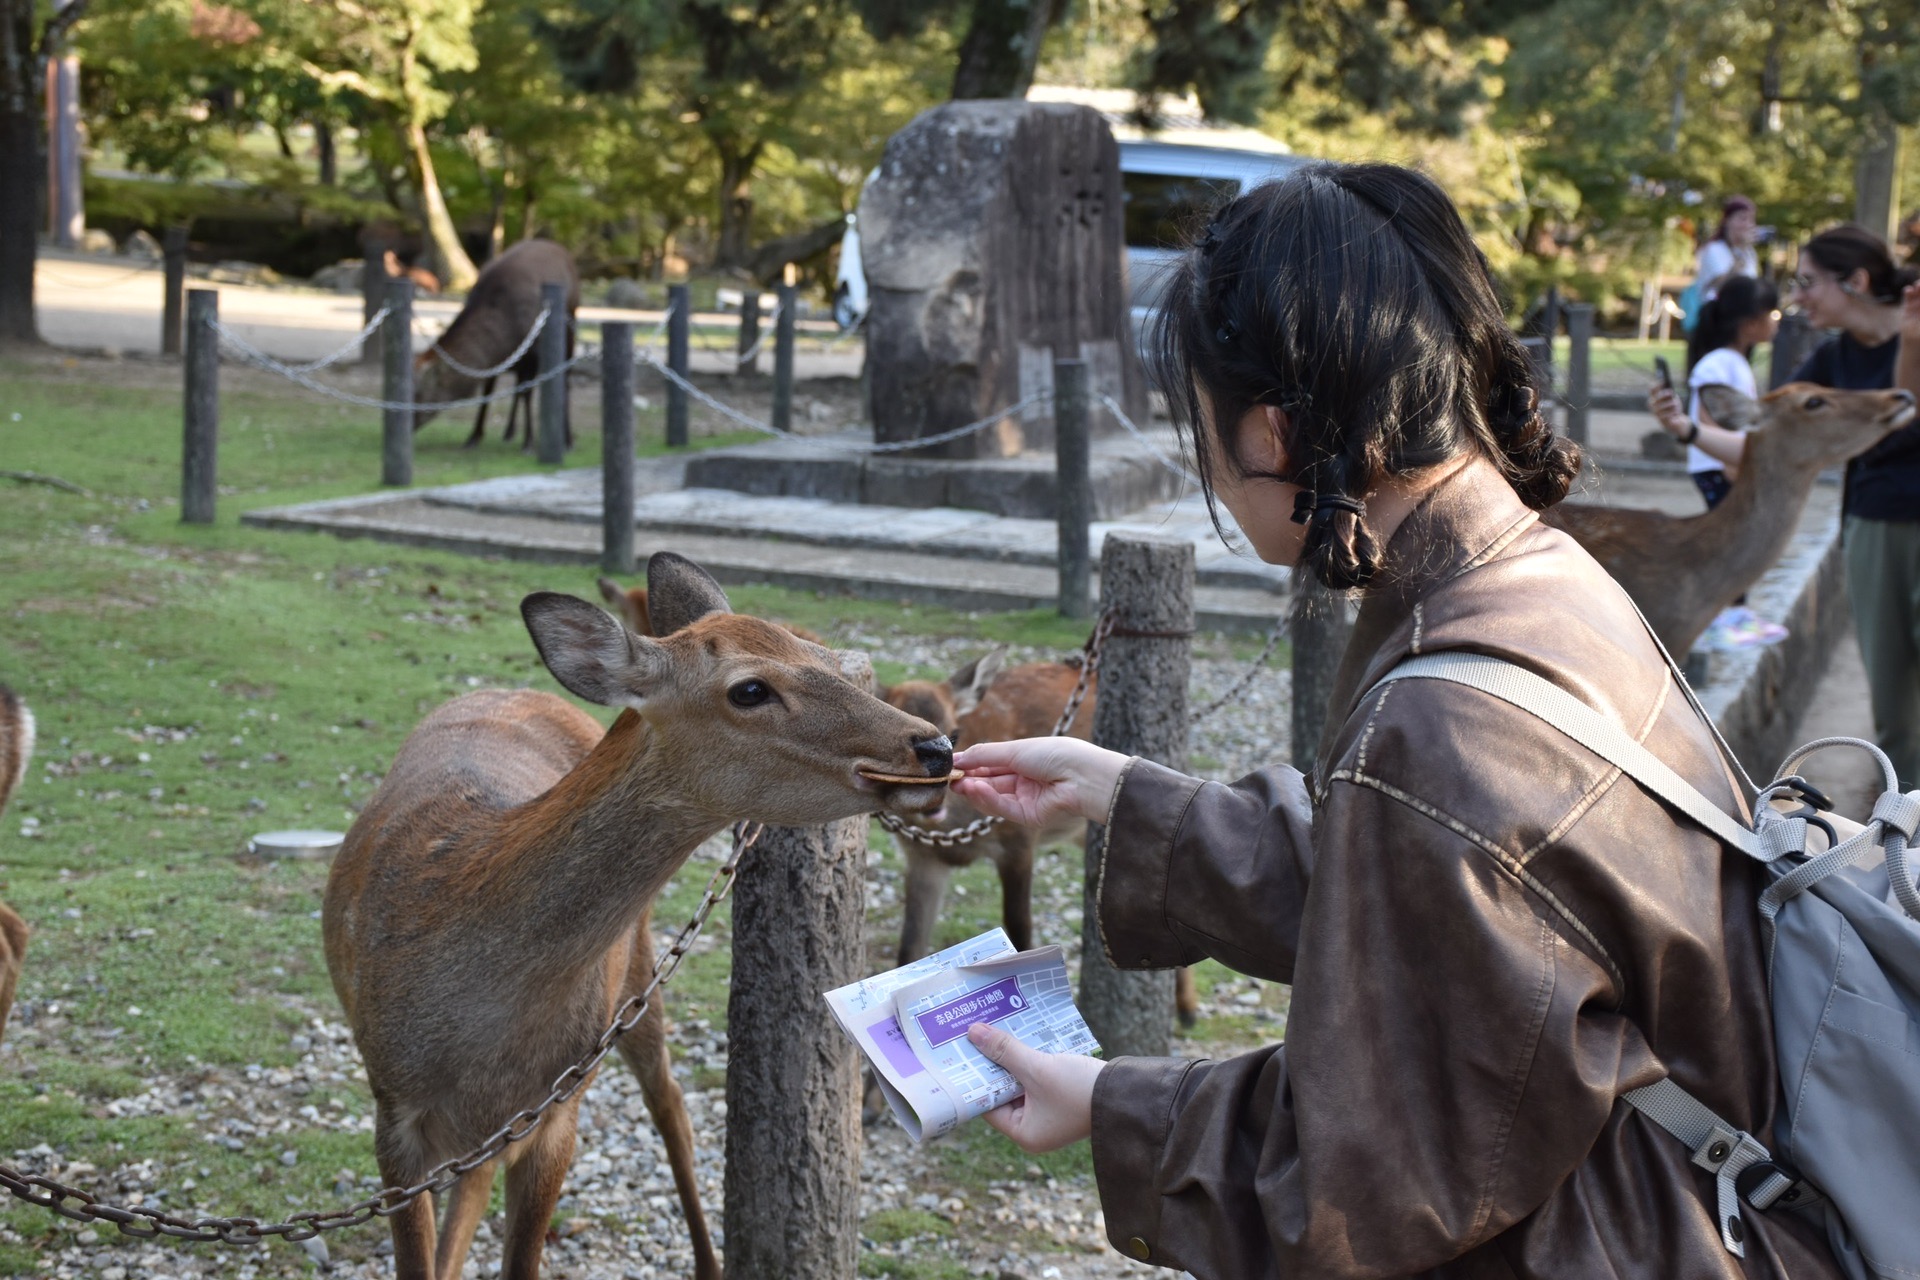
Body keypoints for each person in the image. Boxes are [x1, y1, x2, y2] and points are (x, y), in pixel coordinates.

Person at [949, 163, 1842, 1278]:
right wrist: (1136, 800)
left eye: (1204, 427)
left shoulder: (1436, 716)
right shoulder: (1543, 573)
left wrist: (1118, 1103)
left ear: (1270, 433)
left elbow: (1369, 1187)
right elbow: (1457, 897)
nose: (1213, 471)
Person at [1787, 224, 1920, 788]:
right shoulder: (1830, 363)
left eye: (1808, 282)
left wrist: (1912, 343)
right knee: (1895, 713)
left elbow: (1905, 414)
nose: (1798, 297)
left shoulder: (1912, 335)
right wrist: (1690, 430)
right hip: (1875, 529)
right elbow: (1771, 436)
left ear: (1857, 281)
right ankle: (1910, 847)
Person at [1650, 275, 1780, 508]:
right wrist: (1729, 463)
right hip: (1718, 467)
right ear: (1751, 323)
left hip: (1727, 463)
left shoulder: (1733, 361)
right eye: (1773, 314)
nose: (1776, 321)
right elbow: (1708, 418)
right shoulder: (1718, 363)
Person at [1694, 195, 1760, 303]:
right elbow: (1724, 286)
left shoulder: (1750, 253)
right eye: (1742, 218)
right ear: (1727, 220)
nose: (1748, 225)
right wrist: (1742, 250)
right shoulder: (1713, 250)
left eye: (1751, 220)